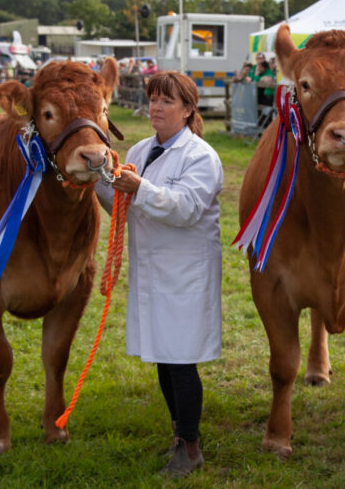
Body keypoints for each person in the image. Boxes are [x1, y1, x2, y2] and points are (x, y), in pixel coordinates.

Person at [94, 71, 223, 477]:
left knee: (181, 361)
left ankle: (191, 447)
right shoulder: (140, 149)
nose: (155, 108)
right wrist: (100, 176)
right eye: (152, 99)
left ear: (187, 110)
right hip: (153, 273)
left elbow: (185, 209)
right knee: (164, 361)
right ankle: (179, 434)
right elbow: (120, 207)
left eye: (166, 101)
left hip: (186, 276)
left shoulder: (201, 157)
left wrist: (139, 189)